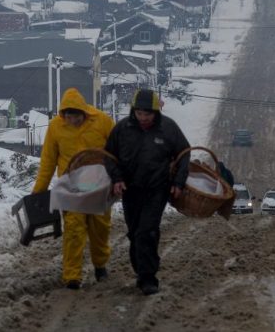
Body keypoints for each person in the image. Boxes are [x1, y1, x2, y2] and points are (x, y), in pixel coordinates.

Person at [104, 88, 190, 296]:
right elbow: (108, 155)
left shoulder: (168, 128)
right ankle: (141, 270)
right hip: (130, 189)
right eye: (139, 113)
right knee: (135, 233)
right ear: (133, 111)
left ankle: (148, 277)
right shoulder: (122, 129)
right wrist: (117, 178)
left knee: (147, 231)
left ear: (155, 112)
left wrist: (178, 182)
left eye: (147, 114)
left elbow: (184, 154)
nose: (143, 118)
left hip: (157, 189)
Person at [32, 88, 115, 290]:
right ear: (63, 115)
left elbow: (117, 151)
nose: (72, 121)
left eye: (76, 116)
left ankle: (100, 265)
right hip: (71, 187)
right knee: (73, 230)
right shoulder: (55, 127)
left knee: (100, 229)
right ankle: (72, 276)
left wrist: (120, 178)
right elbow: (48, 161)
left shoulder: (103, 122)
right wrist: (38, 191)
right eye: (68, 117)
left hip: (99, 185)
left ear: (83, 112)